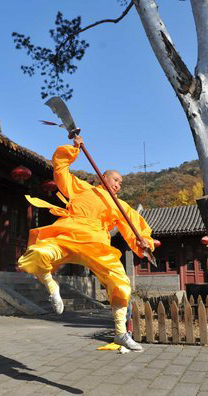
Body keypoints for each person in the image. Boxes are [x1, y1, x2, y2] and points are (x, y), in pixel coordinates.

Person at [17, 135, 154, 351]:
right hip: (70, 233)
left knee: (121, 283)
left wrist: (144, 242)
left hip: (97, 243)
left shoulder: (121, 206)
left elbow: (135, 228)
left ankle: (120, 333)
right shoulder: (81, 188)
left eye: (121, 183)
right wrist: (74, 149)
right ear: (103, 178)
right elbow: (60, 169)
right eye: (115, 180)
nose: (118, 185)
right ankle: (51, 285)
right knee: (38, 253)